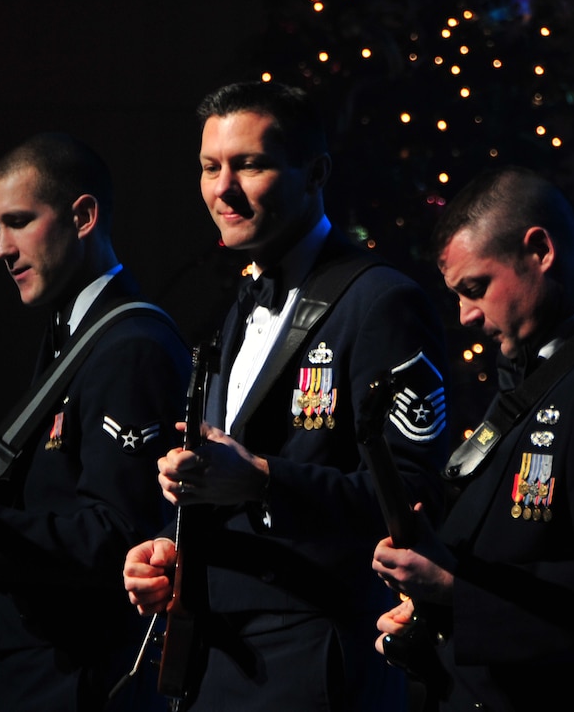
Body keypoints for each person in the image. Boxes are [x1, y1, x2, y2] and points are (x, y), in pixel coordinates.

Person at [121, 80, 451, 712]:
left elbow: (417, 495)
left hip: (320, 661)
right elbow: (228, 480)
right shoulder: (237, 306)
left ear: (315, 172)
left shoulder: (381, 301)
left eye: (251, 164)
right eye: (210, 167)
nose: (223, 188)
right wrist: (171, 542)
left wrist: (265, 480)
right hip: (217, 660)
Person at [0, 132, 193, 711]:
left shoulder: (132, 346)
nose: (1, 248)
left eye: (19, 221)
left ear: (82, 216)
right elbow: (57, 507)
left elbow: (123, 537)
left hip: (89, 684)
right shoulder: (70, 334)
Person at [372, 165, 574, 711]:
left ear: (540, 250)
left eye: (475, 288)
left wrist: (458, 594)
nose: (466, 316)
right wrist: (433, 604)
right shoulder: (548, 375)